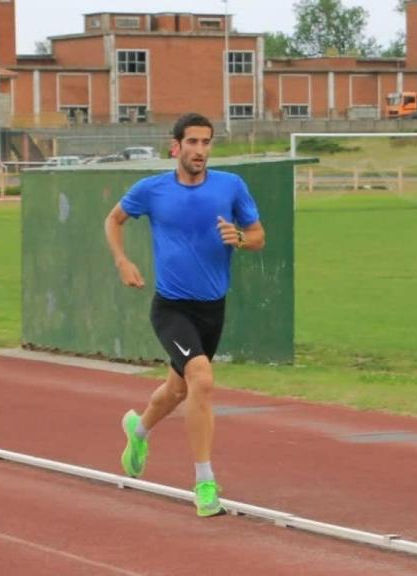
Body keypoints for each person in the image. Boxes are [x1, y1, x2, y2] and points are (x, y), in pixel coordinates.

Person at [104, 112, 265, 517]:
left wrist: (241, 238)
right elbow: (114, 219)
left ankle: (137, 431)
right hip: (171, 307)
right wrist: (122, 261)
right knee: (202, 379)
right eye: (192, 142)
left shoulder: (231, 187)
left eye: (206, 142)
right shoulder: (152, 189)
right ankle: (205, 483)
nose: (200, 151)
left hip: (213, 308)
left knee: (178, 390)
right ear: (175, 146)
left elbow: (259, 236)